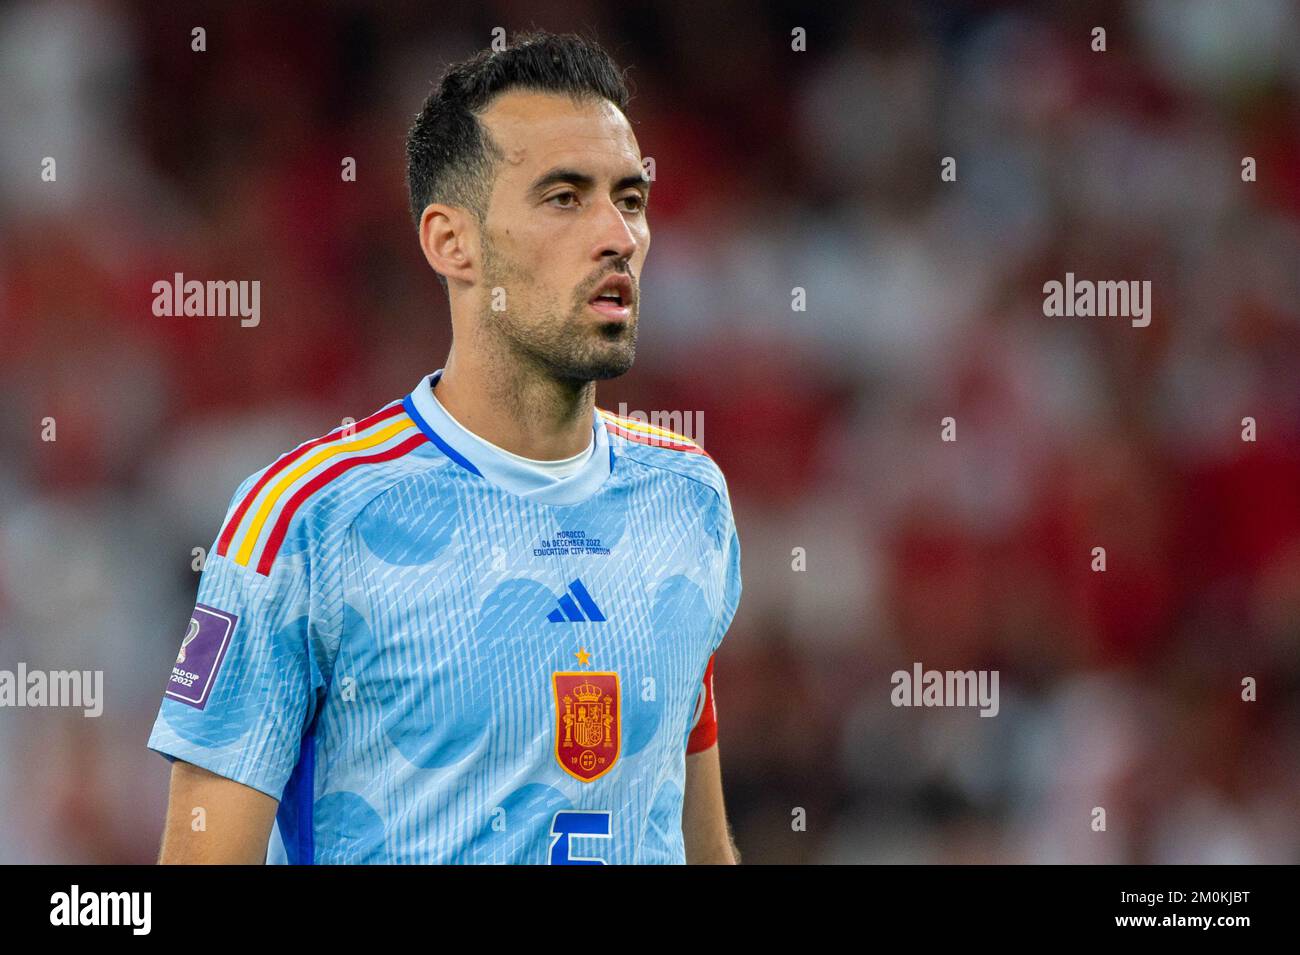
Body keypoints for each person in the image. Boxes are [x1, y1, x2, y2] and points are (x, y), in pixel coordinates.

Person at [148, 30, 742, 864]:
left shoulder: (689, 498)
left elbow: (698, 843)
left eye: (631, 198)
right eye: (565, 197)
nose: (618, 234)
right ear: (450, 243)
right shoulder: (305, 520)